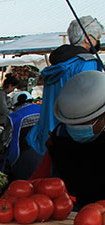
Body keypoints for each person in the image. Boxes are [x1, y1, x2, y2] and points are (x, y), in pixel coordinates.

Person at [26, 16, 103, 156]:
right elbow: (89, 106)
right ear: (87, 38)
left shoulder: (56, 65)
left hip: (49, 134)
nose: (98, 42)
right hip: (72, 138)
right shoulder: (87, 63)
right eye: (97, 38)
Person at [34, 70, 105, 208]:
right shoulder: (59, 138)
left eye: (84, 123)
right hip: (68, 212)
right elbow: (40, 178)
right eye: (72, 124)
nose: (77, 129)